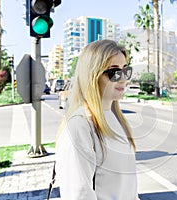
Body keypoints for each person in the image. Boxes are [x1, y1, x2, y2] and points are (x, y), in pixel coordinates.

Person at [55, 40, 139, 200]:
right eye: (114, 72)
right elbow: (78, 194)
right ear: (92, 75)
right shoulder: (79, 126)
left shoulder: (117, 120)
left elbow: (127, 189)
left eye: (125, 71)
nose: (123, 79)